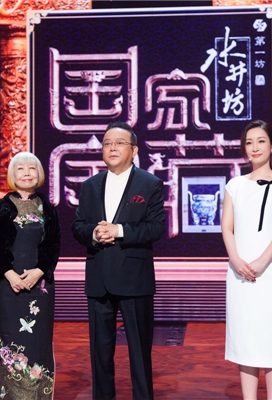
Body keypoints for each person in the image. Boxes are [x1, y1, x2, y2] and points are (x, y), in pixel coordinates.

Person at [72, 121, 165, 400]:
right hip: (99, 279)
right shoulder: (90, 185)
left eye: (119, 143)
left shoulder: (149, 183)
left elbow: (156, 227)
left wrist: (119, 230)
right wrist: (95, 233)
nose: (112, 148)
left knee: (139, 353)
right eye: (107, 143)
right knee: (100, 353)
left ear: (134, 150)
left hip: (135, 279)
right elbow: (78, 226)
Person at [222, 120, 272, 400]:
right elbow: (226, 228)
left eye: (261, 141)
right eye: (249, 142)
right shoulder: (235, 185)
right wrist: (236, 260)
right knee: (246, 339)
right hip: (239, 273)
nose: (254, 147)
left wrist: (263, 261)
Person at [0, 152, 61, 399]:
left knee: (38, 344)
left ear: (39, 173)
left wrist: (39, 272)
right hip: (9, 287)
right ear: (12, 174)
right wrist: (11, 275)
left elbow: (53, 246)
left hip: (40, 288)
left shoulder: (48, 210)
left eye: (32, 168)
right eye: (20, 168)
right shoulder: (0, 209)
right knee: (10, 342)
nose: (27, 173)